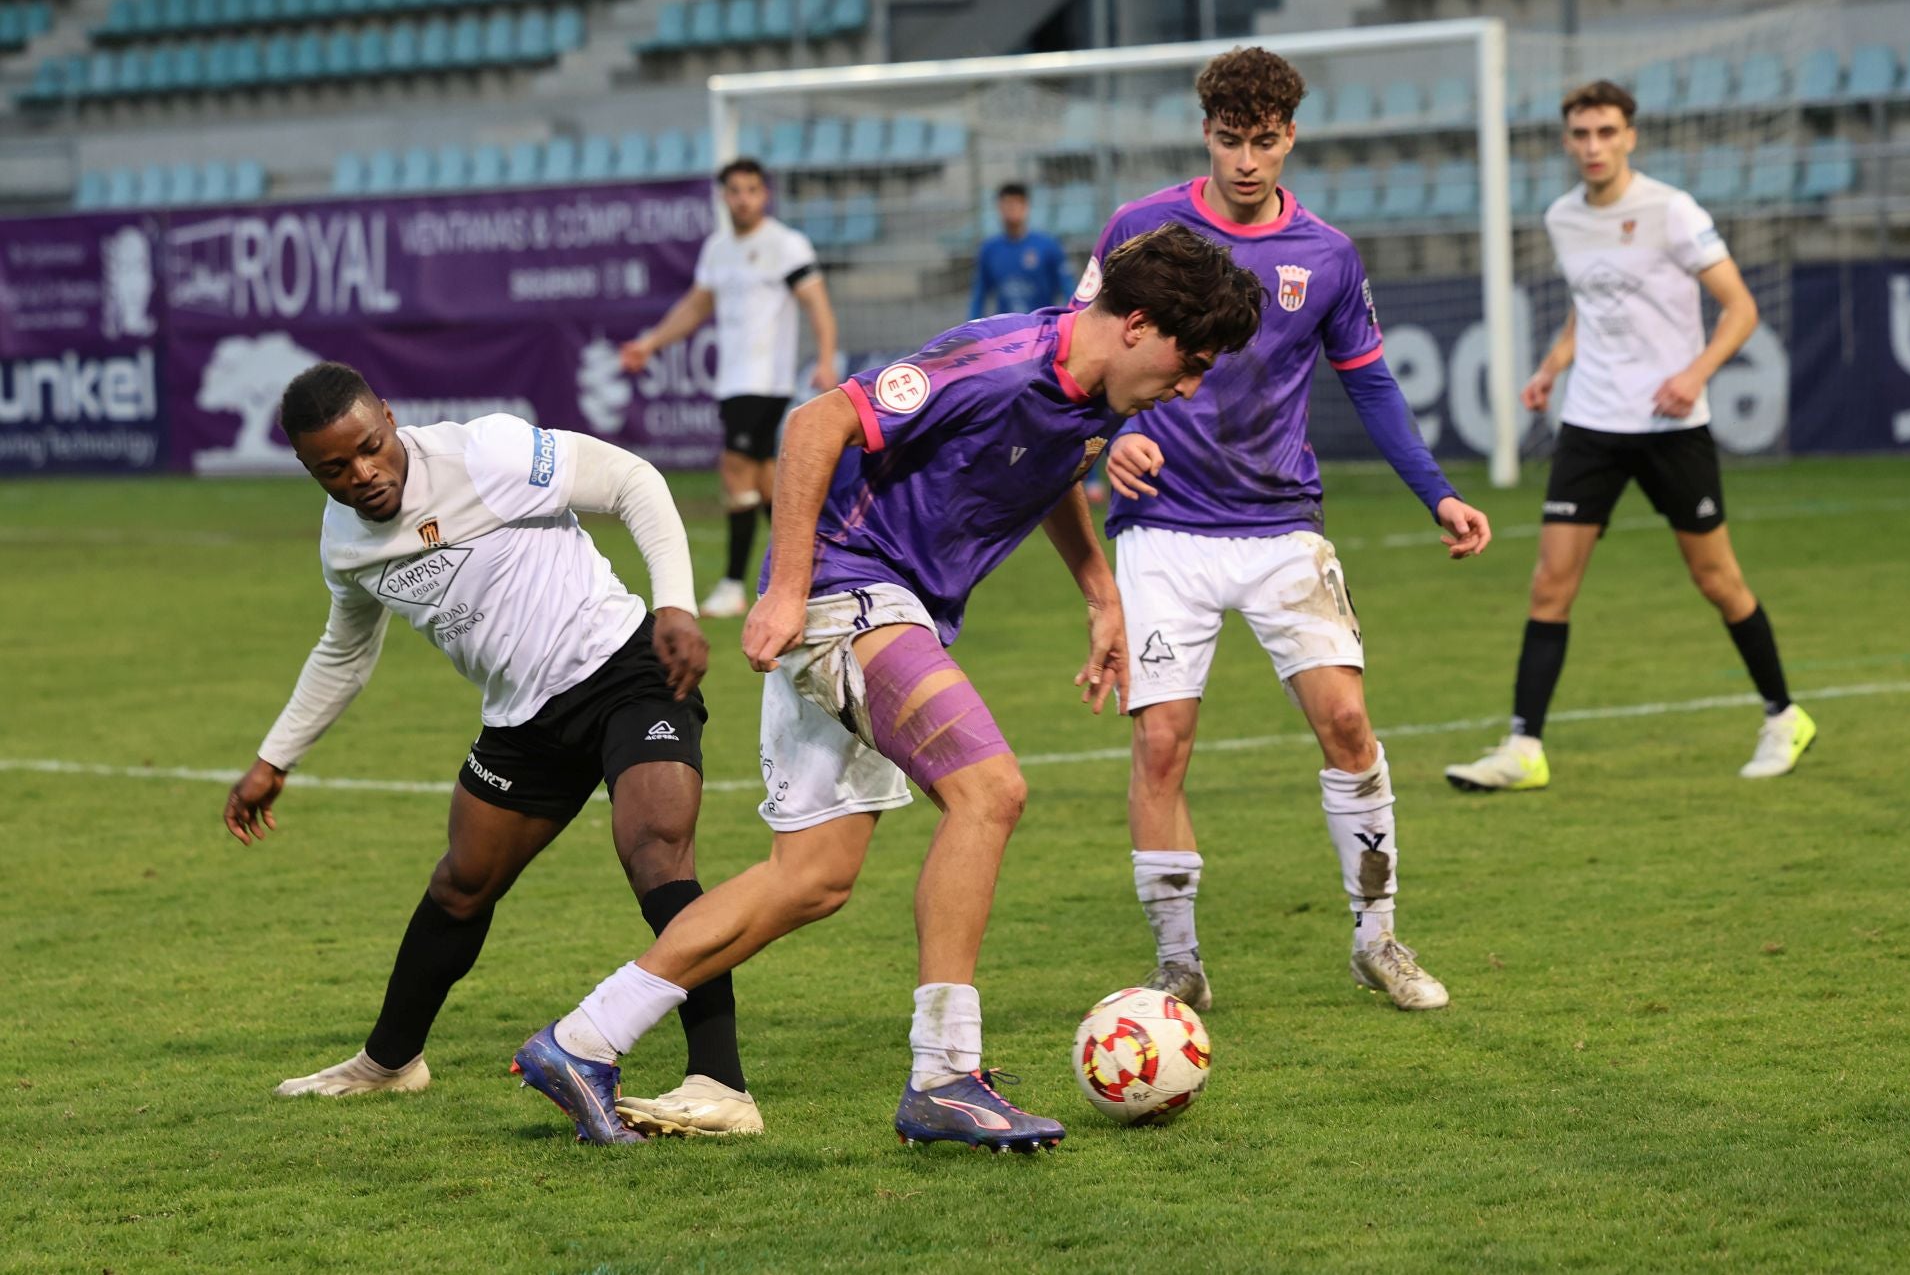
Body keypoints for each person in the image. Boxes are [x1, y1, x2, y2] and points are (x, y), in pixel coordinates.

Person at [509, 222, 1266, 1150]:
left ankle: (582, 1040)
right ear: (1140, 326)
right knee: (989, 790)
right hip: (844, 590)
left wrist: (1100, 595)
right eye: (1190, 362)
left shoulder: (1099, 387)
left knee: (811, 878)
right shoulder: (995, 360)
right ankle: (945, 1073)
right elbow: (816, 420)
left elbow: (1058, 465)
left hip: (881, 604)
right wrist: (785, 589)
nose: (1190, 386)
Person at [224, 364, 761, 1139]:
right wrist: (275, 759)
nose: (362, 474)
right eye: (333, 469)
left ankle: (721, 1083)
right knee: (462, 884)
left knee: (656, 851)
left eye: (371, 448)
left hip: (625, 669)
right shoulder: (344, 542)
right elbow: (344, 652)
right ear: (308, 469)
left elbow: (634, 482)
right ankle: (390, 1062)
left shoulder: (487, 453)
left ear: (389, 415)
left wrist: (674, 606)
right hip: (523, 721)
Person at [1081, 47, 1492, 1016]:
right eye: (1230, 141)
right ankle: (1178, 963)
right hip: (1161, 530)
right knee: (1162, 744)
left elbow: (1372, 384)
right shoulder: (1140, 231)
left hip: (1279, 526)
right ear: (1206, 134)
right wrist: (1112, 441)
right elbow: (1079, 356)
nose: (1246, 162)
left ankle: (1378, 940)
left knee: (1348, 723)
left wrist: (1436, 491)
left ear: (1291, 136)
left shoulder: (1328, 255)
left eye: (1264, 142)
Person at [1444, 80, 1815, 792]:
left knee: (1717, 579)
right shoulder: (1562, 218)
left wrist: (1694, 373)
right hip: (1591, 423)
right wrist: (1553, 367)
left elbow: (1740, 309)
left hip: (1672, 426)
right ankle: (1524, 748)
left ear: (1630, 137)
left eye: (1606, 133)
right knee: (1550, 582)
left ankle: (1783, 715)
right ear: (1567, 140)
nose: (1593, 147)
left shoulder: (1672, 211)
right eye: (1581, 134)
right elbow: (1591, 308)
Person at [620, 157, 840, 620]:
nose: (744, 198)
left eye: (753, 190)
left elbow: (817, 302)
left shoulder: (785, 244)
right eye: (735, 190)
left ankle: (734, 584)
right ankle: (815, 569)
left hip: (765, 381)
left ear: (765, 195)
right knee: (761, 482)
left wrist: (824, 359)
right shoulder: (718, 249)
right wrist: (651, 343)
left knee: (734, 468)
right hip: (733, 382)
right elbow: (696, 305)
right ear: (724, 196)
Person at [968, 182, 1073, 320]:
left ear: (1026, 206)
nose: (1012, 209)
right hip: (1006, 331)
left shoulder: (1048, 245)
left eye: (1017, 203)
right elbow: (979, 295)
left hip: (1042, 329)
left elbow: (1068, 289)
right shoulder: (989, 249)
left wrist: (1069, 324)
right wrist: (972, 329)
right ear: (999, 208)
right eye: (1007, 204)